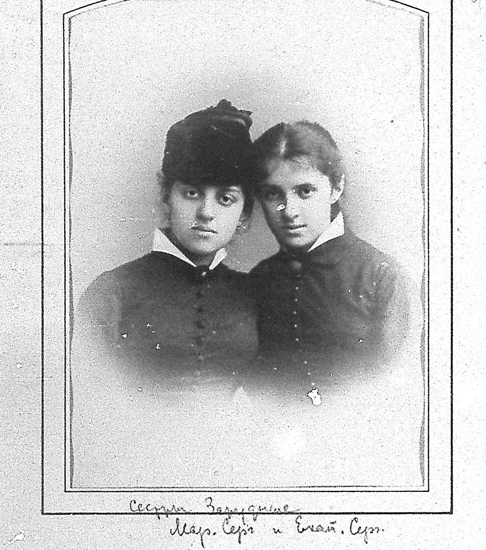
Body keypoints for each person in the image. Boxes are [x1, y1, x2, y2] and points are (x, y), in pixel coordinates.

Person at [75, 100, 258, 395]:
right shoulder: (111, 293)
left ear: (244, 214)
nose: (206, 212)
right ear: (166, 196)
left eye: (225, 199)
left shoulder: (255, 295)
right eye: (192, 193)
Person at [248, 121, 418, 407]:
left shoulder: (383, 278)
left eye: (305, 191)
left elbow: (395, 392)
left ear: (336, 187)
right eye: (273, 194)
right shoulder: (259, 279)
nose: (289, 211)